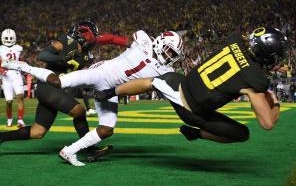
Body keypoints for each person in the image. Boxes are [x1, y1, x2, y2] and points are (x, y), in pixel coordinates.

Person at [2, 30, 185, 166]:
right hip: (101, 72)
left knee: (106, 130)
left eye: (173, 55)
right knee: (58, 82)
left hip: (112, 89)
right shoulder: (144, 40)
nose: (169, 56)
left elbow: (143, 86)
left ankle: (69, 151)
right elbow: (115, 39)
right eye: (169, 51)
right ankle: (24, 66)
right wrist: (99, 40)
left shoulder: (166, 70)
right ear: (160, 42)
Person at [95, 27, 288, 145]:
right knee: (242, 134)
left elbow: (242, 62)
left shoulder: (235, 40)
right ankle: (198, 134)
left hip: (181, 83)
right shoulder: (255, 80)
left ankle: (110, 92)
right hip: (193, 111)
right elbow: (267, 123)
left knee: (151, 82)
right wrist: (273, 97)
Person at [0, 21, 129, 165]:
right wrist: (62, 58)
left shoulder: (87, 55)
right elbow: (43, 55)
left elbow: (109, 39)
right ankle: (90, 150)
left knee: (37, 132)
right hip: (47, 86)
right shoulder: (66, 41)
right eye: (89, 36)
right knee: (79, 111)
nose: (92, 40)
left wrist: (126, 43)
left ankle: (1, 137)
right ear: (80, 35)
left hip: (57, 90)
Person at [0, 29, 25, 127]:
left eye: (10, 38)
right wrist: (1, 70)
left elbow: (21, 60)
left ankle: (20, 119)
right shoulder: (1, 48)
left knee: (20, 96)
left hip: (16, 74)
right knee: (9, 101)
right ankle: (9, 118)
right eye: (6, 38)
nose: (9, 40)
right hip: (6, 77)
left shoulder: (18, 48)